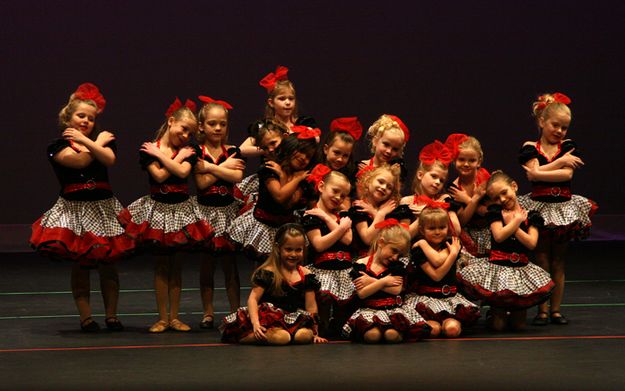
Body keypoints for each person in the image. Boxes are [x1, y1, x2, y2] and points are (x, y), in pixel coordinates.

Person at [30, 83, 134, 332]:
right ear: (69, 117)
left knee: (108, 263)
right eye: (81, 116)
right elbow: (78, 161)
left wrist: (92, 141)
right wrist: (95, 141)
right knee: (82, 263)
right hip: (75, 210)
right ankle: (86, 317)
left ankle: (112, 315)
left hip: (102, 207)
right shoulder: (57, 146)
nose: (86, 120)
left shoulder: (102, 142)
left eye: (91, 117)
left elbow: (109, 159)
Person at [119, 98, 213, 333]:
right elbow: (159, 177)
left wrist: (175, 158)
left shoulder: (188, 152)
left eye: (190, 133)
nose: (185, 136)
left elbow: (182, 171)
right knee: (162, 265)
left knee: (177, 265)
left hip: (181, 210)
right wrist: (172, 158)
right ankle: (162, 317)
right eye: (183, 129)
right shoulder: (148, 149)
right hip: (158, 209)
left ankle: (174, 317)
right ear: (171, 122)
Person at [518, 92, 597, 326]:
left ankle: (555, 310)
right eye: (556, 125)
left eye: (564, 127)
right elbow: (533, 172)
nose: (560, 131)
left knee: (559, 261)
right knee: (541, 257)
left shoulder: (568, 146)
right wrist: (559, 162)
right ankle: (542, 310)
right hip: (539, 206)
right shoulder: (530, 147)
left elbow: (565, 174)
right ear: (542, 121)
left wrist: (546, 170)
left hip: (563, 207)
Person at [456, 171, 554, 331]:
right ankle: (494, 315)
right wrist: (515, 222)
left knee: (519, 326)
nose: (502, 199)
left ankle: (511, 313)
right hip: (499, 268)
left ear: (514, 186)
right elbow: (499, 236)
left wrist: (514, 225)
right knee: (497, 327)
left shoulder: (532, 215)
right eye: (495, 198)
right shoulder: (495, 213)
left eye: (504, 193)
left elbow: (531, 243)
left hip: (520, 269)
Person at [220, 224, 328, 345]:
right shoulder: (269, 272)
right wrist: (256, 324)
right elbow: (253, 299)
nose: (293, 254)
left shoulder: (306, 274)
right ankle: (248, 337)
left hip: (292, 318)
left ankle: (289, 334)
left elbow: (311, 306)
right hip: (268, 319)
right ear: (278, 248)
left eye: (298, 250)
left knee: (304, 336)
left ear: (304, 249)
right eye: (288, 249)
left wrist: (315, 332)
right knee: (282, 337)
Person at [191, 96, 245, 329]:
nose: (218, 128)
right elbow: (201, 184)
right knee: (207, 265)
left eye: (222, 124)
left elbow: (237, 177)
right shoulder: (197, 151)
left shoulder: (233, 150)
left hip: (228, 212)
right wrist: (224, 168)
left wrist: (212, 168)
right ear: (201, 126)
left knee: (230, 265)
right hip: (206, 213)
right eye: (212, 123)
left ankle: (235, 311)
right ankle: (208, 312)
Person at [227, 131, 318, 263]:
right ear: (291, 147)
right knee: (264, 271)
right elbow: (280, 197)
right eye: (301, 151)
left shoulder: (303, 179)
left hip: (286, 230)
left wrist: (293, 179)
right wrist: (287, 177)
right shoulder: (269, 169)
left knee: (285, 271)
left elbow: (288, 204)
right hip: (263, 226)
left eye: (309, 157)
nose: (304, 158)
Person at [342, 220, 431, 343]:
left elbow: (396, 290)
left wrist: (371, 281)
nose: (395, 257)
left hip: (392, 310)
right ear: (381, 242)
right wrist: (383, 282)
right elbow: (362, 293)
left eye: (399, 254)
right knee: (372, 336)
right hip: (370, 310)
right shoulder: (361, 264)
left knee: (391, 334)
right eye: (394, 250)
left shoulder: (396, 266)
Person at [403, 207, 480, 338]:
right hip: (427, 300)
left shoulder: (451, 243)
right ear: (422, 230)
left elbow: (438, 260)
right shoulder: (418, 249)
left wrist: (453, 252)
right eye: (432, 228)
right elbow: (437, 275)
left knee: (452, 330)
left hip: (450, 299)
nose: (438, 232)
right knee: (433, 330)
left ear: (448, 228)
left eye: (442, 227)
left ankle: (450, 322)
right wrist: (453, 254)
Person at [302, 168, 353, 336]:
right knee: (324, 297)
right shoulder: (311, 216)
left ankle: (338, 325)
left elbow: (348, 240)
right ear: (322, 186)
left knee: (347, 303)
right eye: (335, 191)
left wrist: (326, 218)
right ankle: (321, 326)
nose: (338, 198)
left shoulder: (342, 214)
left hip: (344, 269)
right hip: (323, 269)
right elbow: (319, 245)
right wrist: (341, 227)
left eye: (343, 196)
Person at [444, 133, 492, 258]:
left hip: (490, 230)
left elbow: (490, 212)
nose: (466, 164)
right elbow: (462, 221)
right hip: (469, 235)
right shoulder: (454, 188)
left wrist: (467, 199)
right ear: (455, 160)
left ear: (479, 161)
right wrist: (475, 200)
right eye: (461, 160)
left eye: (471, 160)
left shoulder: (485, 179)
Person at [400, 140, 460, 238]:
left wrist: (436, 208)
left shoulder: (444, 199)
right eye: (434, 176)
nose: (437, 182)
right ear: (420, 175)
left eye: (441, 180)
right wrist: (423, 216)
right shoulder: (407, 202)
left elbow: (456, 230)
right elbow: (404, 237)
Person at [350, 164, 408, 258]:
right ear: (368, 181)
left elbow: (394, 237)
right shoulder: (360, 207)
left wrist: (375, 213)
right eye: (381, 182)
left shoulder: (390, 211)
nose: (384, 187)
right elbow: (368, 239)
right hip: (363, 260)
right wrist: (380, 214)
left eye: (389, 187)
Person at [357, 114, 409, 184]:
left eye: (395, 149)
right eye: (386, 144)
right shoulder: (359, 167)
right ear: (375, 141)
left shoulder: (397, 173)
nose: (389, 151)